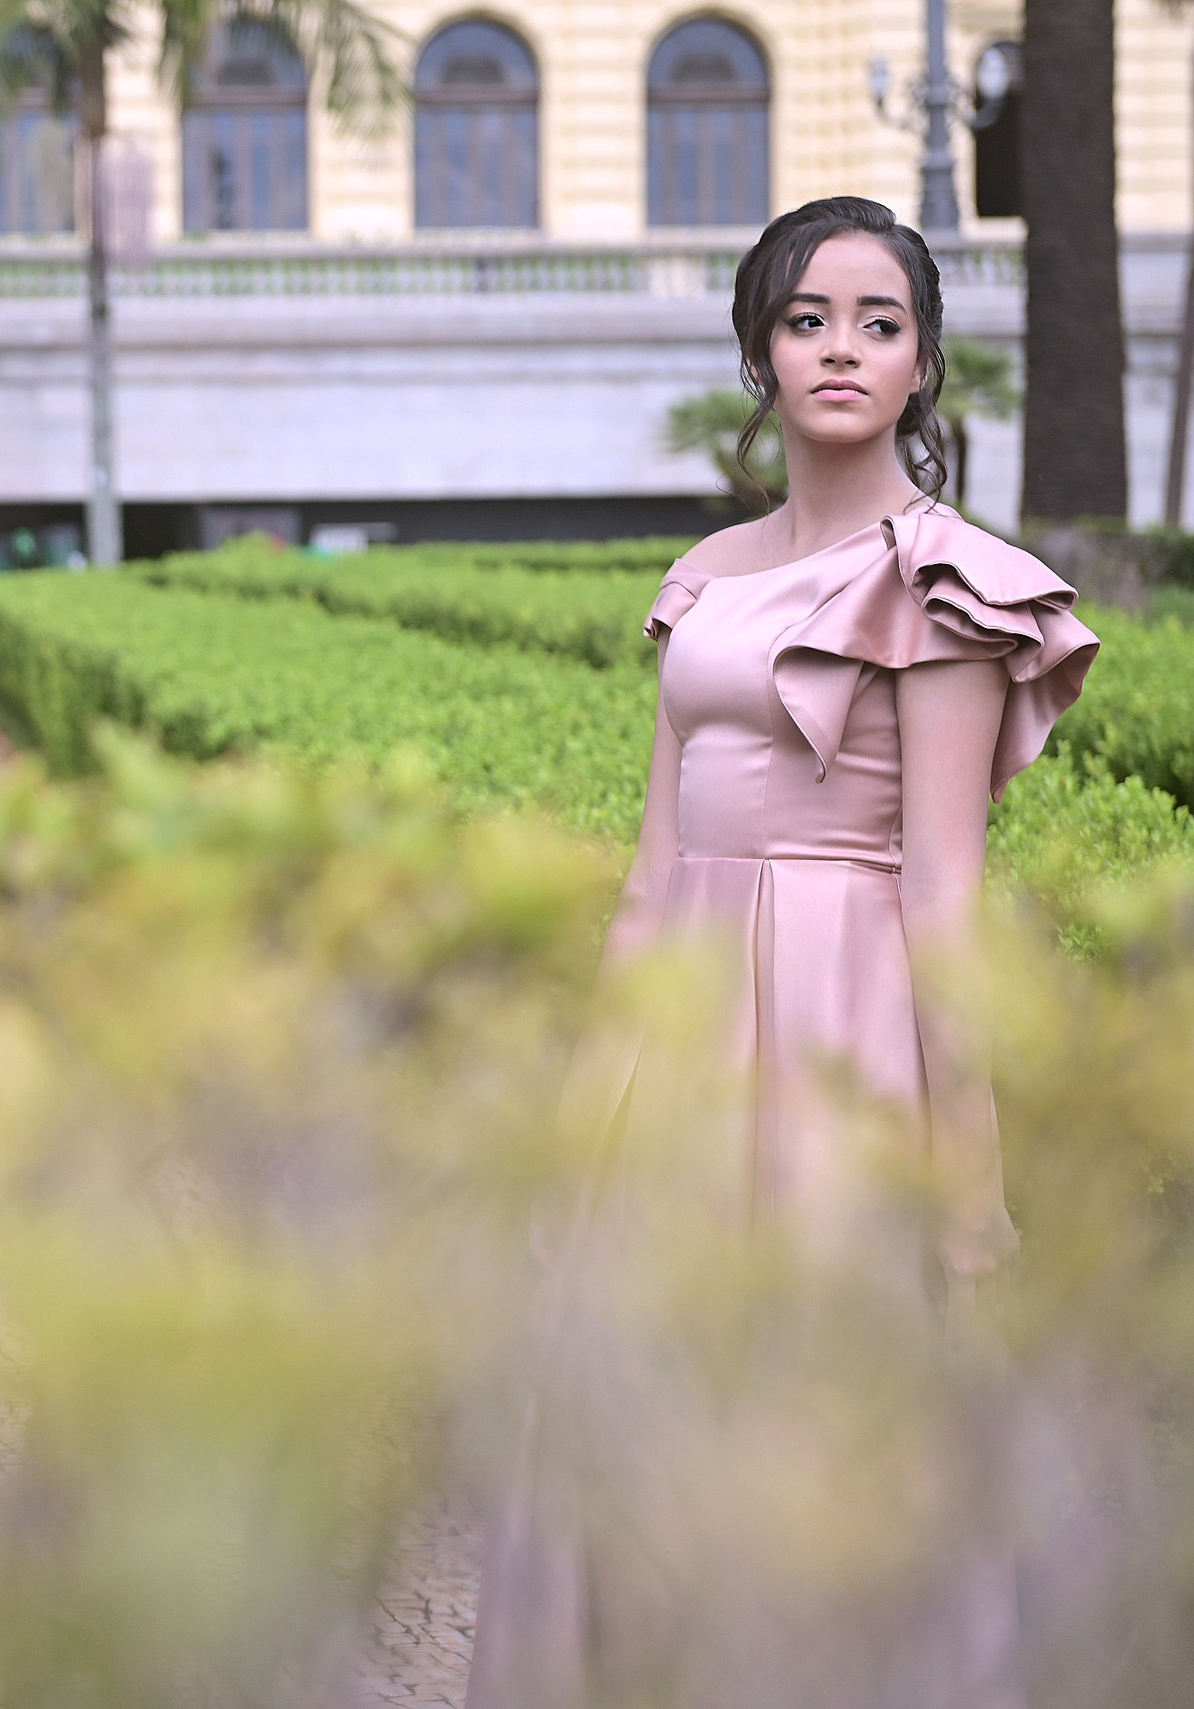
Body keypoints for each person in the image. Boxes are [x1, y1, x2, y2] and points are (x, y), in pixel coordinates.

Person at [466, 196, 1099, 1708]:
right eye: (808, 317)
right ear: (761, 350)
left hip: (847, 1029)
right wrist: (582, 1112)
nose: (841, 348)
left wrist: (972, 1183)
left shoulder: (943, 579)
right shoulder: (709, 572)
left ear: (924, 364)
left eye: (879, 324)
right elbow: (649, 873)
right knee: (651, 1387)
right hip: (680, 1032)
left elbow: (945, 890)